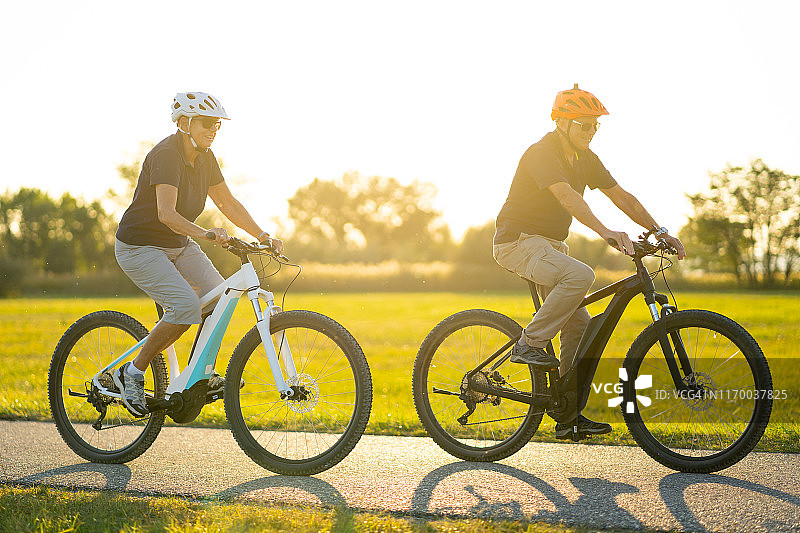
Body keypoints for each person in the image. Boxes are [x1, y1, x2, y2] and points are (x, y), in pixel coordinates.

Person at [492, 84, 686, 440]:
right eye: (583, 123)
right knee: (581, 275)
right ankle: (529, 344)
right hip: (517, 242)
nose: (591, 131)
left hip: (550, 246)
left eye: (596, 125)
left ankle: (568, 416)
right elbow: (565, 196)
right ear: (561, 122)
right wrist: (605, 231)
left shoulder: (586, 159)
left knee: (579, 323)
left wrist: (659, 230)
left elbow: (620, 195)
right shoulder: (542, 153)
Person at [113, 91, 283, 417]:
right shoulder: (167, 155)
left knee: (220, 299)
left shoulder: (206, 157)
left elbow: (228, 203)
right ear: (184, 123)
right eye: (206, 123)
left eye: (217, 125)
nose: (212, 130)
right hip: (140, 247)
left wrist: (262, 234)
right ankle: (132, 372)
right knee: (186, 306)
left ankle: (197, 376)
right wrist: (206, 233)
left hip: (178, 244)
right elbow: (166, 213)